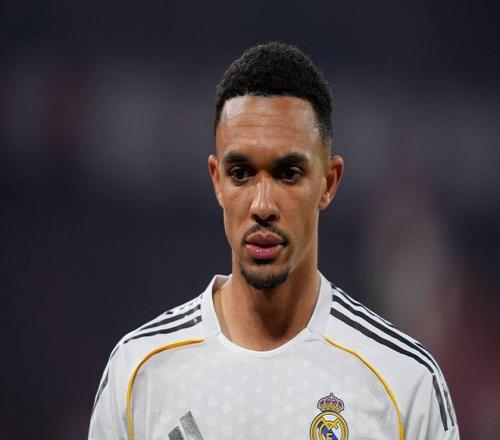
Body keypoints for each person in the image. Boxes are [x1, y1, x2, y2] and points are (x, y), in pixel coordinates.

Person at [88, 42, 459, 440]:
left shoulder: (403, 382)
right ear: (216, 181)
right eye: (241, 173)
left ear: (328, 183)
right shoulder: (139, 372)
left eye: (288, 174)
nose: (262, 205)